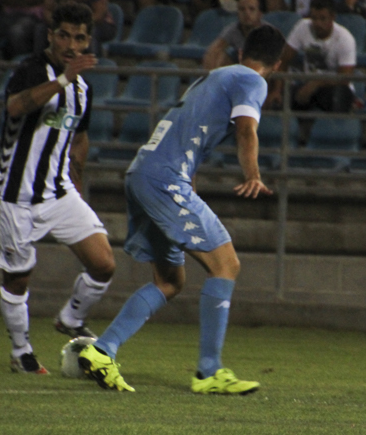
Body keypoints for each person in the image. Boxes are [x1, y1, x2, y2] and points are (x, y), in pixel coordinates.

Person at [77, 24, 287, 394]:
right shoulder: (253, 81)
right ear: (278, 64)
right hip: (164, 179)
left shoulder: (212, 77)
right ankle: (209, 372)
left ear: (241, 52)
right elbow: (246, 129)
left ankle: (101, 351)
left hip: (144, 173)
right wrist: (253, 174)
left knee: (170, 281)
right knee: (227, 264)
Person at [0, 1, 116, 375]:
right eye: (64, 35)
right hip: (15, 195)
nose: (71, 44)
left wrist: (77, 176)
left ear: (87, 39)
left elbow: (80, 138)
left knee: (104, 263)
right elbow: (15, 107)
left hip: (58, 194)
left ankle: (70, 319)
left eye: (79, 37)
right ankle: (21, 351)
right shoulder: (30, 70)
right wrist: (61, 79)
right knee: (18, 276)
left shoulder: (83, 89)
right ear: (50, 35)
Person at [276, 0, 357, 111]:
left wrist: (316, 83)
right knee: (279, 100)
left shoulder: (345, 38)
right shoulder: (302, 27)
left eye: (323, 19)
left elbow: (345, 77)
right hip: (307, 85)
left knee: (337, 98)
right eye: (314, 18)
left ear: (332, 17)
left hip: (334, 87)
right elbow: (283, 61)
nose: (317, 23)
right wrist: (276, 91)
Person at [202, 0, 270, 70]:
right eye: (242, 9)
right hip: (242, 64)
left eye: (251, 9)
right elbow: (214, 50)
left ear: (259, 14)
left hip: (264, 67)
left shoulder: (270, 32)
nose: (247, 13)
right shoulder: (232, 30)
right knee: (220, 56)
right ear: (237, 14)